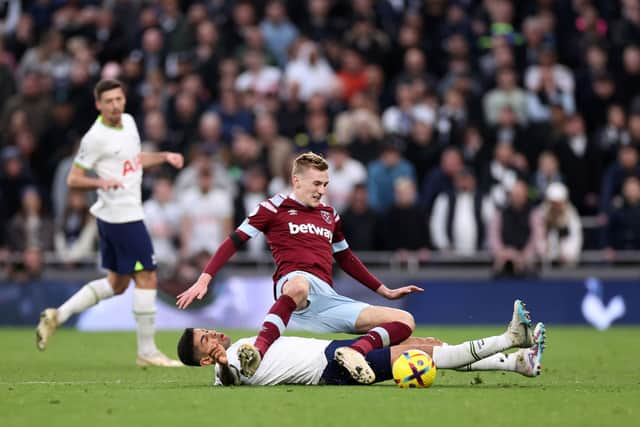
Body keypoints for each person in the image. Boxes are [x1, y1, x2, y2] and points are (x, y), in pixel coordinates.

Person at [176, 152, 423, 382]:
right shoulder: (272, 208)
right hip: (293, 287)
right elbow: (233, 241)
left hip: (327, 297)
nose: (321, 191)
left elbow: (346, 258)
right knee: (298, 284)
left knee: (404, 320)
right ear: (297, 180)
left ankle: (355, 351)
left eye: (325, 184)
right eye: (316, 184)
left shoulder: (330, 215)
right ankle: (258, 352)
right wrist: (205, 278)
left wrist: (384, 291)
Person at [36, 79, 184, 367]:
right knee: (148, 276)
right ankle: (148, 351)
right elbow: (73, 178)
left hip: (113, 216)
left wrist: (164, 156)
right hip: (122, 216)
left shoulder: (129, 122)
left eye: (119, 99)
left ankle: (58, 314)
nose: (115, 105)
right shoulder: (95, 138)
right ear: (98, 105)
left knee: (117, 284)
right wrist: (101, 180)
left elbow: (135, 159)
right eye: (109, 101)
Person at [176, 300, 545, 386]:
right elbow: (230, 378)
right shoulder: (226, 373)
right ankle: (510, 338)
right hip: (333, 367)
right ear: (206, 361)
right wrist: (224, 363)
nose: (212, 336)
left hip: (330, 350)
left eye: (206, 331)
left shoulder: (241, 344)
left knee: (427, 341)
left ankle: (517, 363)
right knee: (429, 354)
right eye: (205, 340)